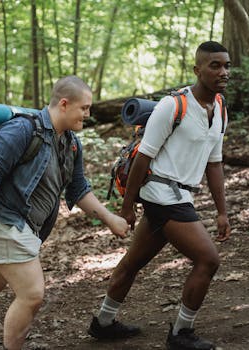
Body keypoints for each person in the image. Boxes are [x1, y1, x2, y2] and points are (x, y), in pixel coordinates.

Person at [0, 75, 129, 350]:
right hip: (5, 220)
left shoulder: (70, 144)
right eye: (85, 108)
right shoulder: (22, 130)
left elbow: (78, 188)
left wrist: (109, 218)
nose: (88, 114)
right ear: (64, 104)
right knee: (32, 294)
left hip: (22, 227)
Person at [87, 41, 232, 350]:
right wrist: (127, 207)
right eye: (215, 65)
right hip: (162, 195)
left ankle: (103, 323)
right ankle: (181, 333)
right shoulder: (173, 105)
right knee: (208, 259)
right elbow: (143, 157)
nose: (223, 72)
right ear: (198, 70)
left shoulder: (219, 108)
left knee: (132, 263)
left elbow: (214, 163)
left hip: (181, 197)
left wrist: (222, 211)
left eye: (226, 65)